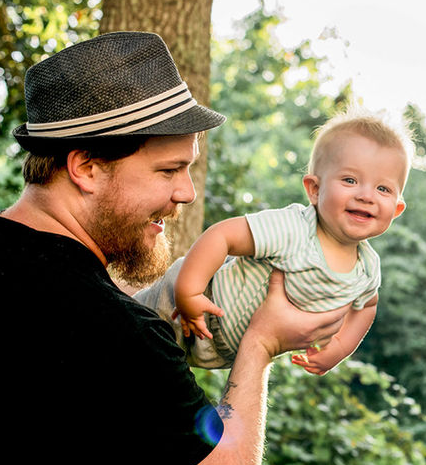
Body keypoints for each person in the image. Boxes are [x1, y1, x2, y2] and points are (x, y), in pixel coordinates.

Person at [0, 32, 346, 465]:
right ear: (86, 166)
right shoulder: (118, 333)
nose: (185, 192)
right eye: (168, 170)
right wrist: (260, 345)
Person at [134, 109, 410, 373]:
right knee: (125, 332)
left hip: (221, 351)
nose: (366, 196)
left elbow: (367, 306)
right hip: (182, 302)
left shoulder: (368, 268)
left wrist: (337, 348)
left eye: (382, 188)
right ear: (314, 189)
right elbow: (223, 236)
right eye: (350, 180)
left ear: (396, 209)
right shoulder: (295, 228)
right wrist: (189, 293)